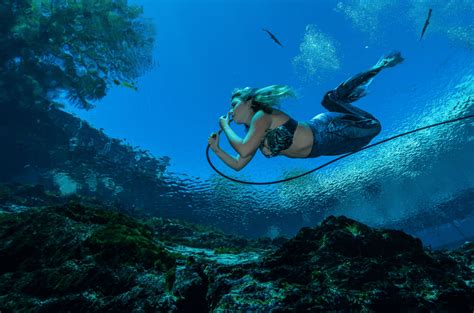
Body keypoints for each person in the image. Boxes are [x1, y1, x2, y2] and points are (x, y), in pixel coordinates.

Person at [208, 51, 404, 171]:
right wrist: (217, 149)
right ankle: (335, 100)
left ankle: (379, 66)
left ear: (249, 102)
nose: (231, 111)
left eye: (234, 104)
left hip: (328, 130)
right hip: (325, 148)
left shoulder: (262, 116)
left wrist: (225, 126)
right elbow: (238, 165)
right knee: (366, 134)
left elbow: (243, 149)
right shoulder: (254, 135)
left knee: (375, 127)